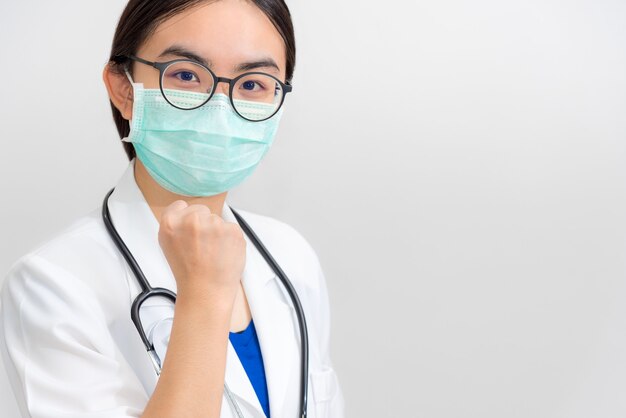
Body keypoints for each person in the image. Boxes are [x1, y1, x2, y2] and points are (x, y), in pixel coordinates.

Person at [0, 0, 345, 417]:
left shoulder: (292, 257)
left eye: (253, 84)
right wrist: (204, 295)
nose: (220, 107)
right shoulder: (52, 285)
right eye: (185, 75)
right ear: (124, 90)